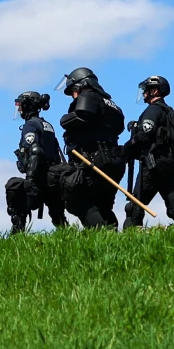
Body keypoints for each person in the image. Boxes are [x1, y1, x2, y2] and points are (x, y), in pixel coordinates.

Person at [58, 67, 127, 229]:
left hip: (94, 159)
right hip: (114, 158)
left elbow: (80, 115)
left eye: (73, 91)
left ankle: (102, 234)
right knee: (102, 204)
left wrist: (64, 119)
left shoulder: (88, 96)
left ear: (81, 85)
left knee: (76, 200)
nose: (73, 96)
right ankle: (113, 236)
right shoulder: (112, 105)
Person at [122, 76, 174, 227]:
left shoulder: (153, 110)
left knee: (135, 205)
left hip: (153, 163)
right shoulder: (167, 111)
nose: (143, 94)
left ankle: (131, 232)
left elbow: (145, 135)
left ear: (154, 91)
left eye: (146, 90)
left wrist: (126, 148)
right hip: (170, 161)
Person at [4, 91, 66, 233]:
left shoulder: (30, 125)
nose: (19, 109)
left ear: (27, 106)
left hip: (40, 177)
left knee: (13, 187)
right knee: (58, 216)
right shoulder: (47, 125)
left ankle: (18, 233)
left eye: (20, 105)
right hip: (54, 177)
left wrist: (30, 178)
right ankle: (66, 233)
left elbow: (35, 151)